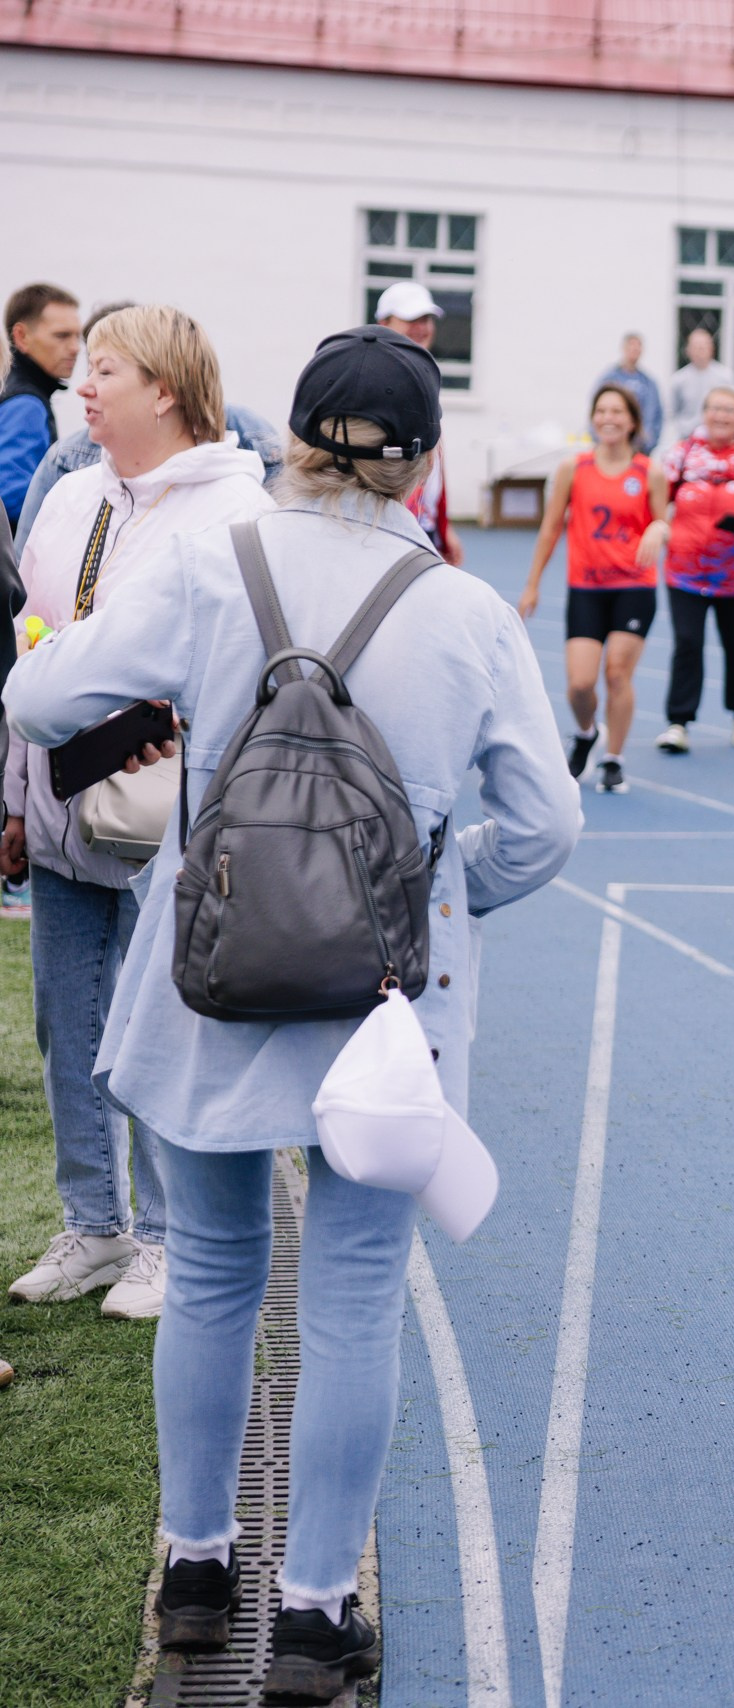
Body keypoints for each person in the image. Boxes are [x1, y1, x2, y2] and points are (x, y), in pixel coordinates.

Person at [5, 322, 580, 1703]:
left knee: (209, 1270)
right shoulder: (465, 612)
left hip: (206, 977)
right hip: (384, 1002)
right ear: (425, 461)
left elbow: (37, 696)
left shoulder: (213, 560)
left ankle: (197, 1573)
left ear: (294, 440)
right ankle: (317, 1617)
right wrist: (450, 894)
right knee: (356, 1294)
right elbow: (546, 825)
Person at [2, 305, 269, 1324]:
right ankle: (93, 1222)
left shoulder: (235, 510)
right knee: (65, 1028)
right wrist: (16, 796)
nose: (84, 382)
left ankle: (163, 1238)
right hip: (62, 807)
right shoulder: (69, 496)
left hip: (173, 819)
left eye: (104, 366)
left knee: (158, 1030)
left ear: (166, 385)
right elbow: (31, 651)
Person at [20, 300, 284, 542]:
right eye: (89, 370)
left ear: (163, 393)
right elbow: (25, 587)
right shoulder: (70, 489)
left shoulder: (241, 509)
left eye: (105, 372)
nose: (83, 388)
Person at [517, 383, 667, 795]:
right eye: (601, 411)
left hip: (634, 586)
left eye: (618, 412)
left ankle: (613, 759)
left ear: (633, 421)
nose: (609, 419)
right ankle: (586, 733)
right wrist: (532, 585)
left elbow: (663, 519)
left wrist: (658, 527)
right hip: (586, 587)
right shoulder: (574, 469)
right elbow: (551, 528)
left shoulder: (648, 472)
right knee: (580, 685)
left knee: (618, 673)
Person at [653, 386, 734, 754]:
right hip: (684, 573)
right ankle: (678, 722)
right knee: (687, 645)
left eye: (730, 410)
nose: (721, 416)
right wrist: (656, 528)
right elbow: (652, 505)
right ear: (703, 412)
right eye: (714, 408)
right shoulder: (678, 457)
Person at [374, 281, 460, 566]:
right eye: (411, 319)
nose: (422, 327)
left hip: (423, 525)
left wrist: (444, 528)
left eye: (426, 319)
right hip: (390, 526)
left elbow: (432, 457)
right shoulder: (376, 379)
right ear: (383, 324)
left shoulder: (425, 374)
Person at [0, 282, 80, 529]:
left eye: (78, 336)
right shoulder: (27, 403)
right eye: (62, 336)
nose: (76, 348)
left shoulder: (11, 388)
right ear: (21, 336)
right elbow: (11, 495)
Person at [666, 326, 734, 448]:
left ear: (711, 349)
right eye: (696, 347)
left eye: (703, 346)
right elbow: (671, 412)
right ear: (688, 350)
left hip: (718, 442)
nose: (700, 350)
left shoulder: (725, 377)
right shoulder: (679, 379)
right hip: (688, 440)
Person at [596, 332, 664, 453]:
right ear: (623, 349)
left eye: (637, 347)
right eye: (630, 346)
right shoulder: (609, 379)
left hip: (641, 448)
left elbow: (657, 415)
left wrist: (649, 441)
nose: (634, 350)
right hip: (612, 447)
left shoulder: (648, 383)